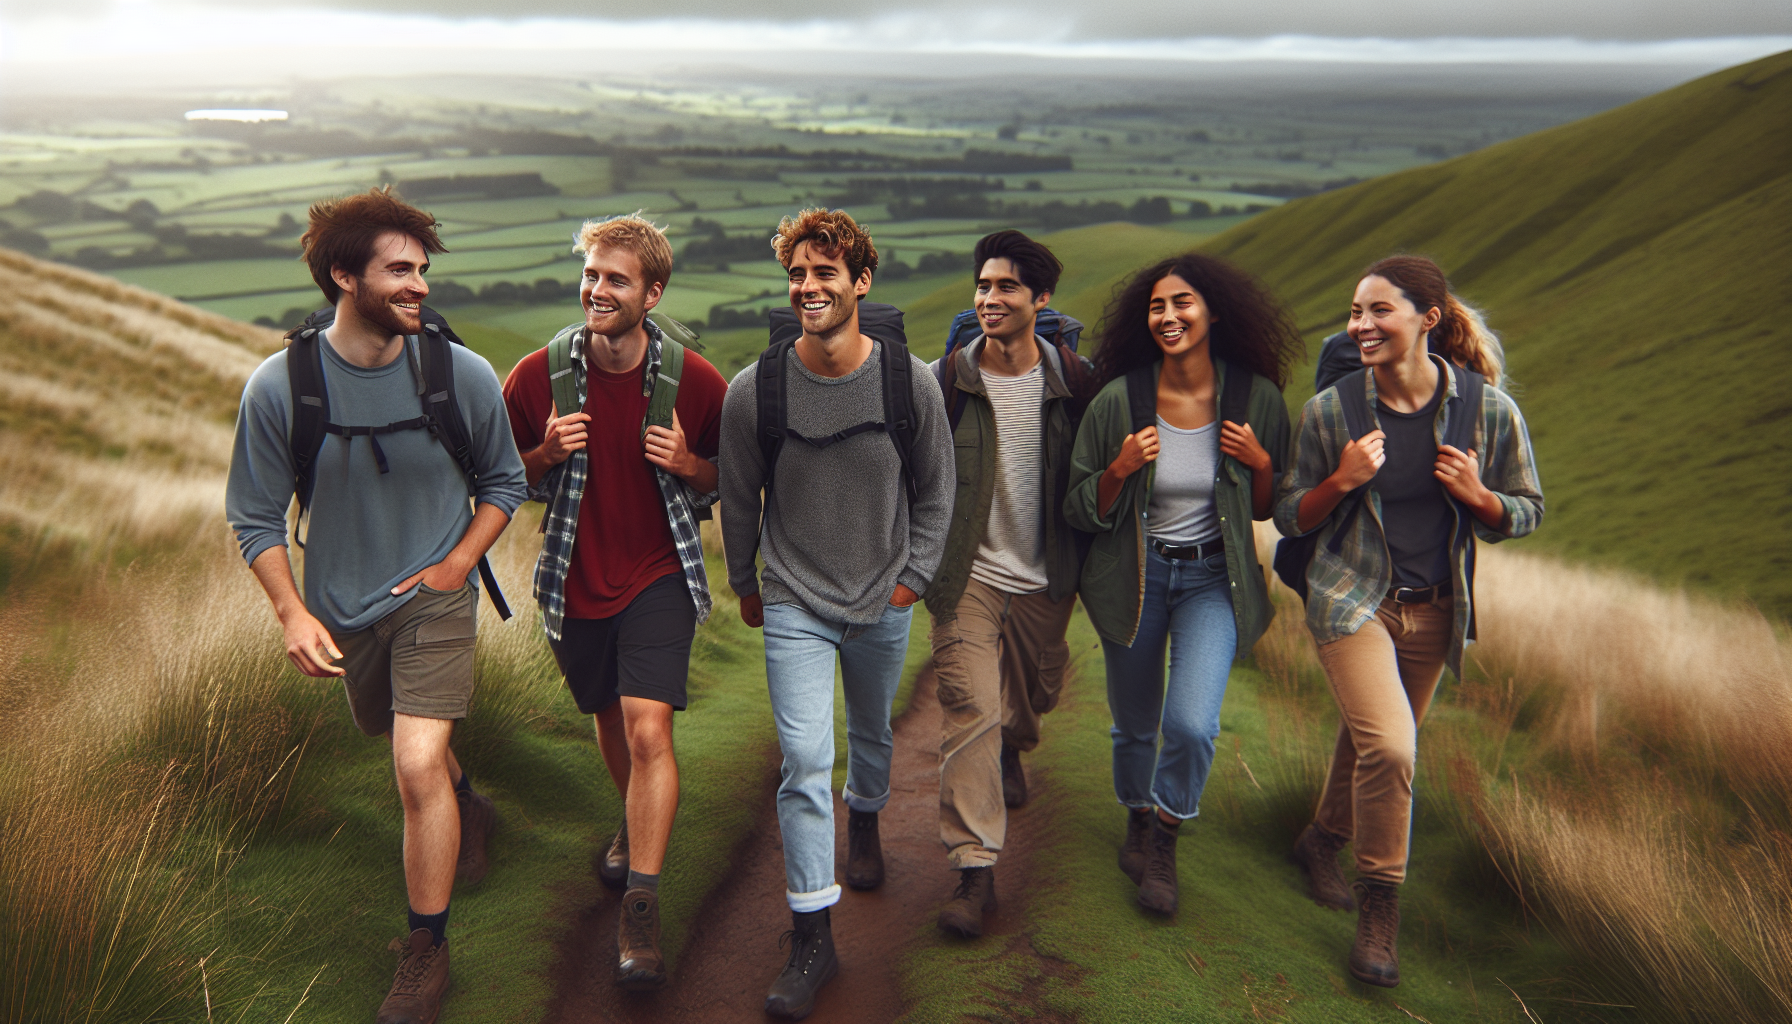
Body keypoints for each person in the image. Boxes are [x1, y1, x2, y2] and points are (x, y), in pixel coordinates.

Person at [225, 187, 527, 1023]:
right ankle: (471, 809)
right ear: (343, 276)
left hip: (435, 598)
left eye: (421, 269)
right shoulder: (280, 387)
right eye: (399, 270)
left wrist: (455, 567)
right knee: (394, 739)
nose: (419, 285)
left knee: (414, 765)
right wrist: (292, 612)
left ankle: (426, 950)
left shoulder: (459, 374)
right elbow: (254, 517)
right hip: (340, 608)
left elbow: (504, 483)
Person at [1278, 255, 1542, 988]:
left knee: (1372, 742)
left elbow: (1527, 509)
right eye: (1355, 312)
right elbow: (1290, 513)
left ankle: (1320, 840)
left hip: (1436, 612)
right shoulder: (1332, 411)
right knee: (1393, 749)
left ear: (1428, 318)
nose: (1360, 326)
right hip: (1352, 599)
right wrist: (1342, 480)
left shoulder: (1488, 411)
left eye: (1378, 311)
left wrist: (1481, 497)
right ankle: (1379, 910)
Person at [718, 208, 953, 1019]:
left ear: (861, 282)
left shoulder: (907, 381)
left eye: (825, 272)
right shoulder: (756, 390)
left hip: (884, 594)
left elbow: (937, 488)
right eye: (798, 274)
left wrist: (912, 580)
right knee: (805, 759)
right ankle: (811, 936)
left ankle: (868, 817)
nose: (808, 287)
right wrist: (748, 583)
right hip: (794, 596)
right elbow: (738, 495)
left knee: (872, 734)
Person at [501, 214, 727, 990]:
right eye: (591, 274)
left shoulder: (696, 382)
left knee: (648, 725)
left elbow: (730, 478)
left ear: (652, 294)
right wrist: (544, 451)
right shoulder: (537, 376)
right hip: (573, 578)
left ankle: (641, 909)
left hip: (661, 575)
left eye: (616, 280)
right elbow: (499, 478)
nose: (597, 290)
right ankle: (634, 823)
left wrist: (691, 464)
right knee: (607, 717)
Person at [1064, 253, 1300, 917]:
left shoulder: (1255, 399)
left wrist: (1261, 463)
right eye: (1157, 307)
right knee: (1135, 727)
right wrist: (1118, 469)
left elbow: (1266, 508)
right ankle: (1137, 817)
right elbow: (1079, 507)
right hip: (1135, 577)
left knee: (1192, 725)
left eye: (1182, 303)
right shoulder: (1119, 401)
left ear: (1215, 312)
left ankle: (1165, 837)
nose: (1168, 316)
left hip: (1213, 580)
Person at [927, 229, 1092, 938]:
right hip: (966, 575)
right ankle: (974, 868)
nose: (990, 298)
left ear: (1041, 299)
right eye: (983, 285)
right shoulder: (945, 381)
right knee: (971, 709)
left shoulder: (1077, 384)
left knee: (1028, 701)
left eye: (1007, 287)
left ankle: (1015, 744)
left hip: (1045, 579)